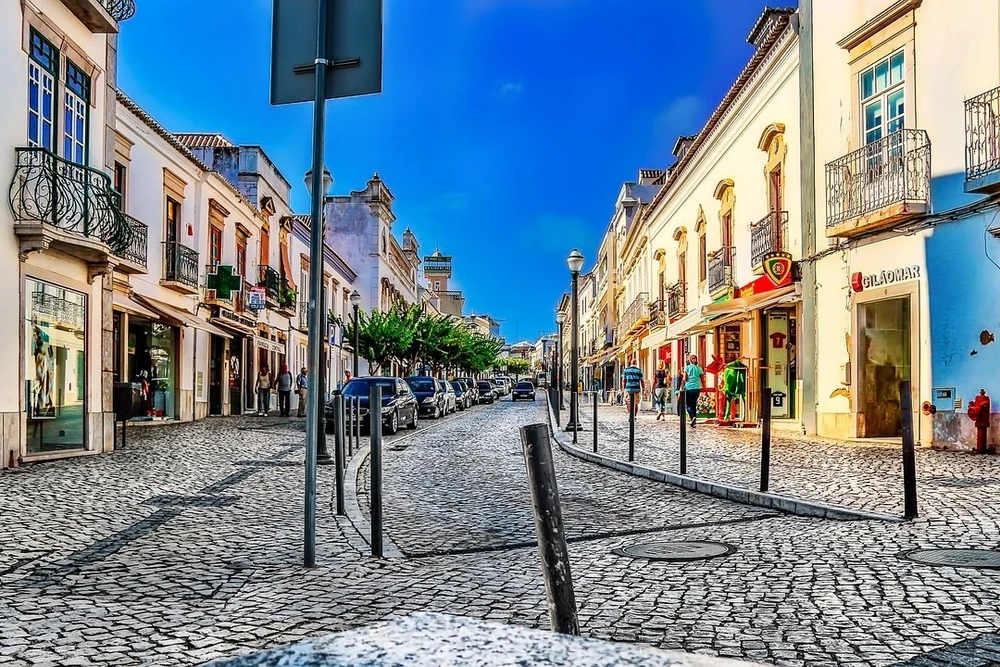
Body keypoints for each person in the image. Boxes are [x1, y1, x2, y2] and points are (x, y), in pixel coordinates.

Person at [683, 354, 705, 427]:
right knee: (693, 404)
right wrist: (704, 388)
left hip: (689, 388)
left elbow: (684, 379)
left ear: (690, 360)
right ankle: (694, 421)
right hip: (697, 388)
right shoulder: (699, 369)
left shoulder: (687, 368)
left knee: (688, 405)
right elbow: (702, 379)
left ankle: (692, 417)